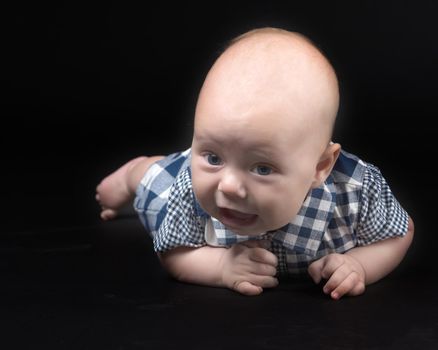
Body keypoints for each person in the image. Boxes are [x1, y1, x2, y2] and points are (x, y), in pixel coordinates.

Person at [95, 27, 414, 299]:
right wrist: (221, 268)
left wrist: (360, 265)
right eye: (212, 156)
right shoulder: (191, 187)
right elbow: (173, 252)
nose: (229, 186)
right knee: (153, 178)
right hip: (171, 188)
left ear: (320, 167)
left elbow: (399, 232)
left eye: (262, 168)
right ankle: (131, 174)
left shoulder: (355, 191)